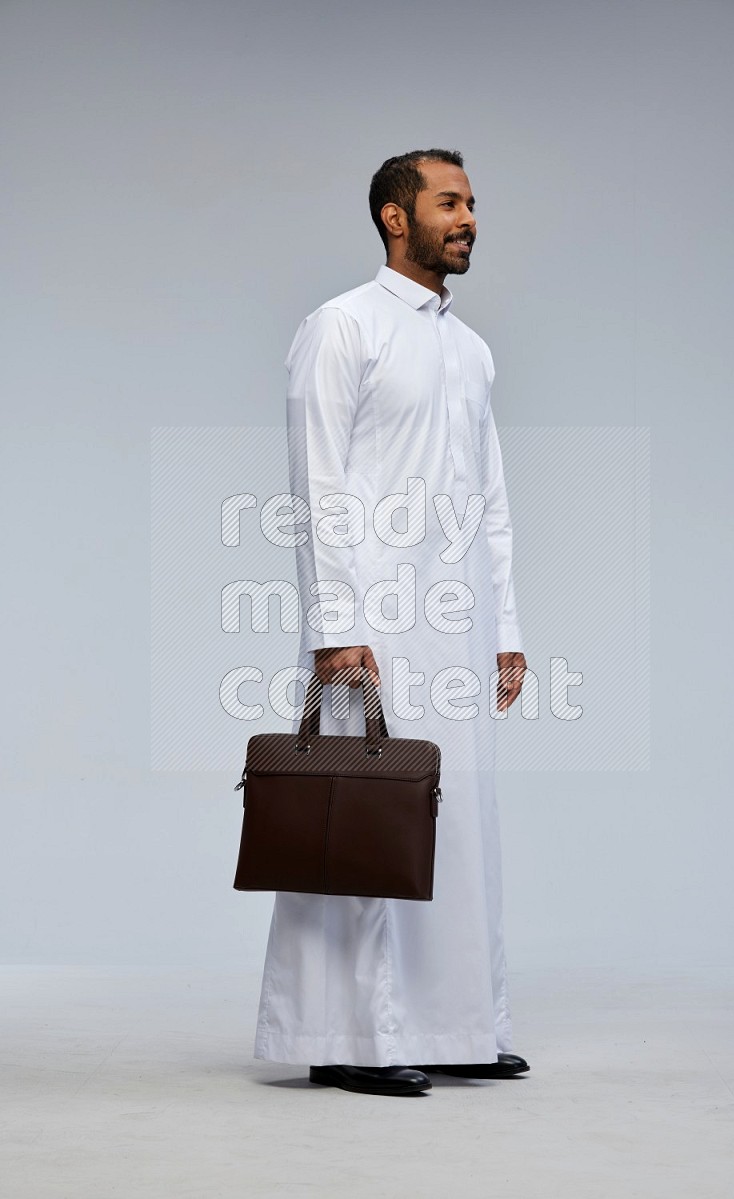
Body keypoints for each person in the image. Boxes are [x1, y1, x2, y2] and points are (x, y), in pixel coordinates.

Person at [254, 149, 529, 1096]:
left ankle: (462, 1025)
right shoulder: (343, 327)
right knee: (366, 815)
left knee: (455, 823)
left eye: (472, 202)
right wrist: (336, 623)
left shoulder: (471, 347)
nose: (469, 218)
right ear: (393, 217)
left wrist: (506, 629)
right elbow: (317, 484)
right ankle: (352, 1038)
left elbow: (491, 499)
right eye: (449, 201)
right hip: (370, 621)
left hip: (457, 624)